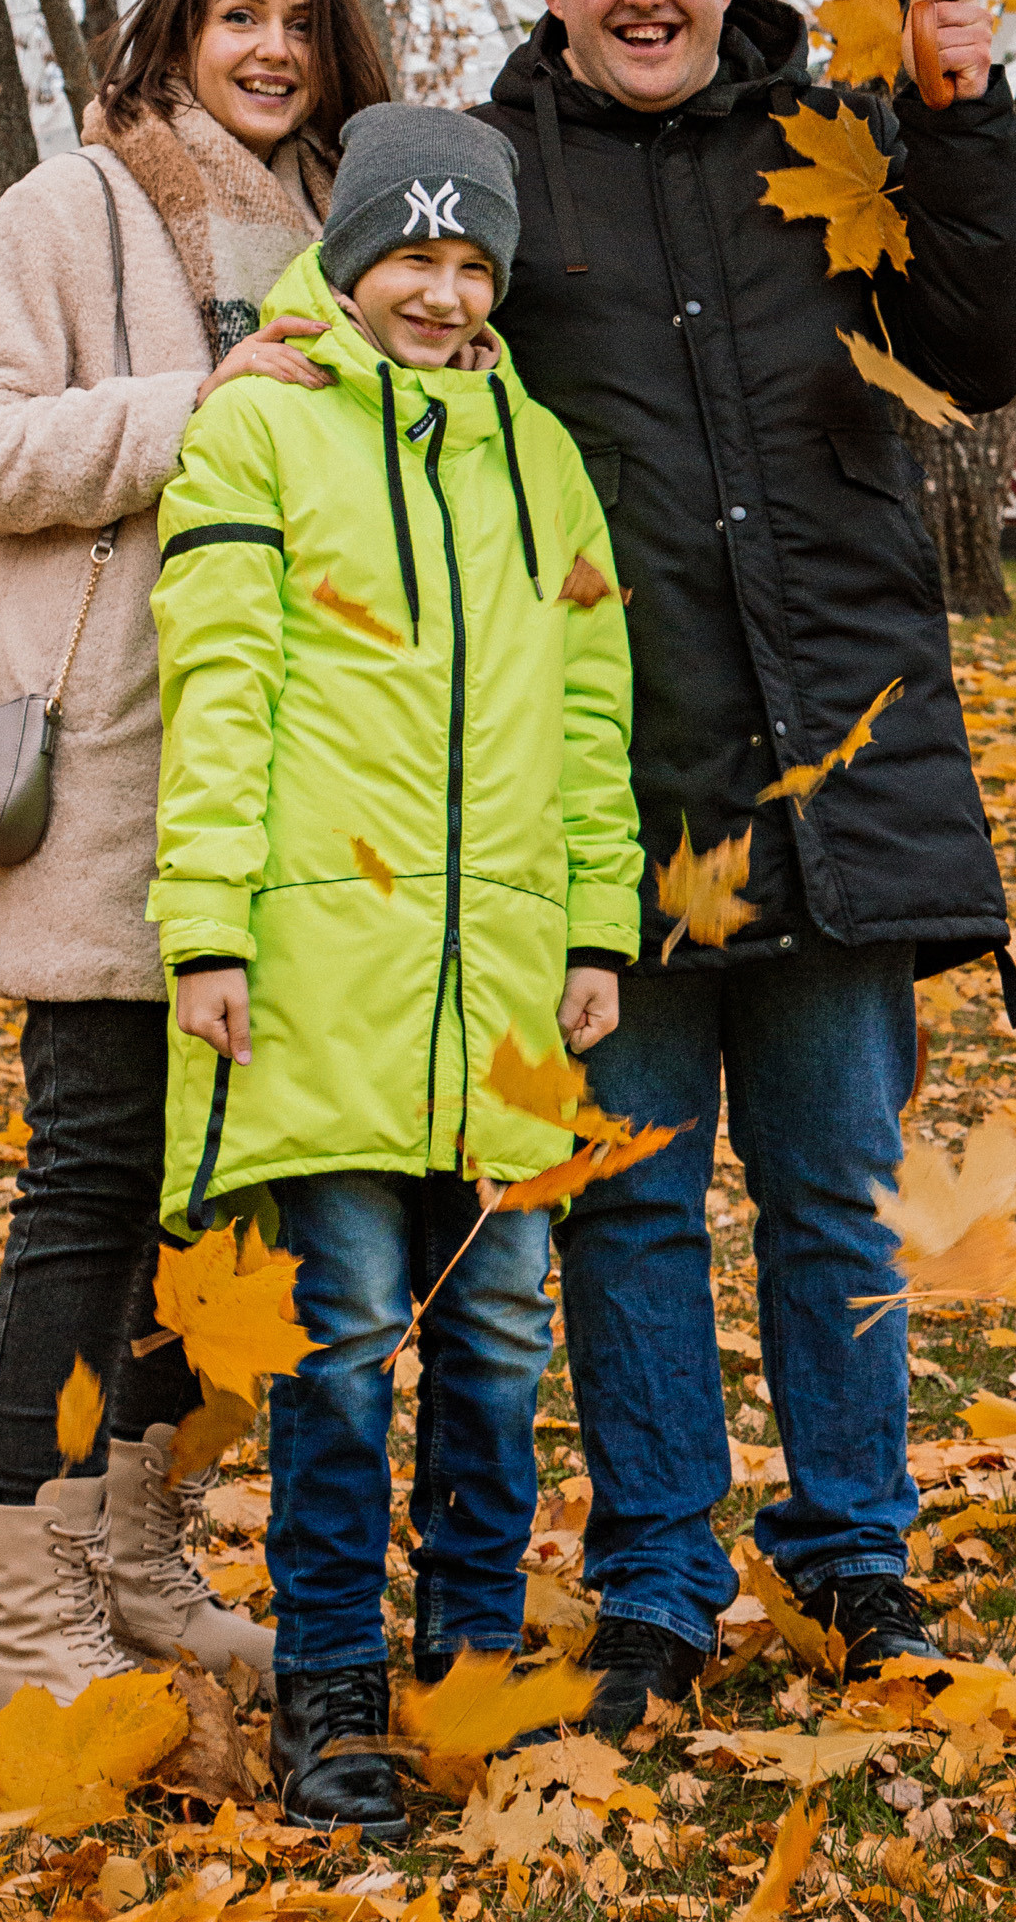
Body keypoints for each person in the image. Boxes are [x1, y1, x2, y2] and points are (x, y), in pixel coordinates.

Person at [478, 0, 1016, 1733]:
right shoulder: (499, 181)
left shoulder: (843, 145)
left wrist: (963, 124)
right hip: (614, 785)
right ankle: (655, 1581)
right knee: (627, 1207)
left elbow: (983, 347)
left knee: (828, 1185)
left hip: (833, 768)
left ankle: (853, 1559)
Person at [0, 0, 388, 1732]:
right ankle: (35, 1627)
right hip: (123, 780)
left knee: (219, 1223)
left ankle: (137, 1560)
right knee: (92, 1191)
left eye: (297, 24)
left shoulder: (352, 240)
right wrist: (190, 404)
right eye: (235, 16)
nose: (268, 49)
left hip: (297, 795)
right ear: (177, 32)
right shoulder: (78, 207)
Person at [152, 106, 642, 1836]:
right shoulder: (260, 434)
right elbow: (221, 690)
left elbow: (593, 713)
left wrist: (597, 923)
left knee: (500, 1338)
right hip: (316, 974)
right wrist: (206, 924)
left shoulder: (546, 459)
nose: (437, 292)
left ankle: (471, 1661)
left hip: (504, 985)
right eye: (406, 258)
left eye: (465, 260)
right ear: (348, 261)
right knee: (344, 1350)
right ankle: (336, 1685)